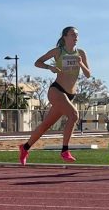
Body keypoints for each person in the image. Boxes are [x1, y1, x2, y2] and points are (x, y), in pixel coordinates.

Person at [18, 26, 91, 165]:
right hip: (57, 91)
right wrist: (49, 67)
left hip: (70, 94)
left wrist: (81, 64)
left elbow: (88, 75)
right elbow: (37, 62)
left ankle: (25, 147)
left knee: (46, 125)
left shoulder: (81, 53)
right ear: (65, 37)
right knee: (74, 115)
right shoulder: (58, 51)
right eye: (72, 35)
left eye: (77, 35)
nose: (76, 38)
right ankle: (64, 150)